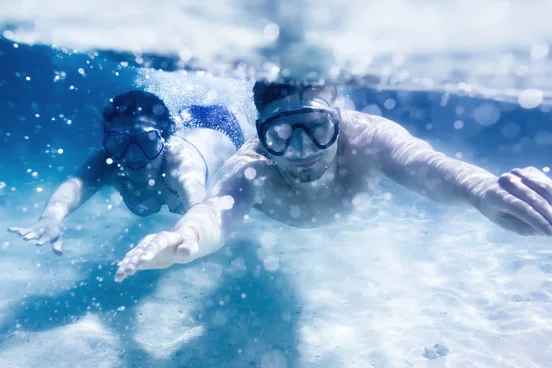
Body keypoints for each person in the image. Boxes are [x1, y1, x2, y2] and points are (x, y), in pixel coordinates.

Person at [114, 79, 552, 282]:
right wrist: (184, 237)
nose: (302, 152)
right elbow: (214, 211)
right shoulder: (254, 164)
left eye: (316, 129)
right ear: (262, 135)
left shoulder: (370, 138)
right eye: (283, 134)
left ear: (339, 121)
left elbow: (427, 164)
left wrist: (483, 191)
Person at [8, 89, 246, 254]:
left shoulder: (182, 163)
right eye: (120, 141)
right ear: (108, 138)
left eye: (147, 141)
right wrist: (51, 218)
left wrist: (197, 233)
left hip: (222, 124)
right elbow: (76, 184)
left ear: (165, 139)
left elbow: (198, 202)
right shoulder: (108, 160)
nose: (133, 155)